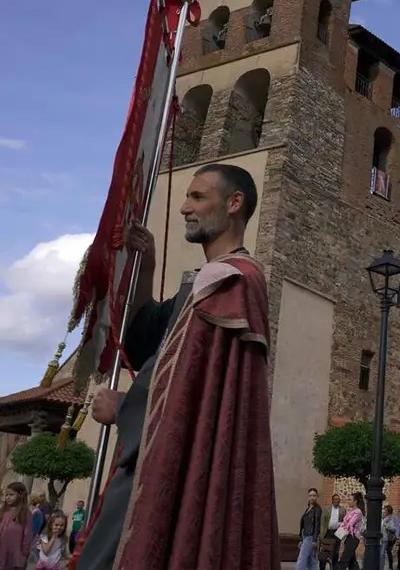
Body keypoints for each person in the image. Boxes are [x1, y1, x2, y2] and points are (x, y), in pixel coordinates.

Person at [78, 164, 280, 570]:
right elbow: (146, 344)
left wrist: (124, 409)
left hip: (168, 460)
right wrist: (147, 265)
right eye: (187, 197)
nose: (185, 207)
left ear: (234, 203)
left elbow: (185, 380)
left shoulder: (234, 281)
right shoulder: (201, 283)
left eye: (198, 197)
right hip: (154, 454)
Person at [0, 482, 32, 570]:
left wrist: (25, 553)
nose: (8, 497)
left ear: (20, 495)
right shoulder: (4, 511)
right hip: (2, 552)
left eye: (11, 494)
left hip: (16, 555)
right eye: (6, 495)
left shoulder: (25, 513)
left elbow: (27, 534)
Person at [336, 493, 366, 570]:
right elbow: (346, 523)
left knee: (344, 559)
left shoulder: (357, 512)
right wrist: (342, 524)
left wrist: (341, 524)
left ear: (355, 501)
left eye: (350, 500)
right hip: (349, 537)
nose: (348, 501)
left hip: (353, 538)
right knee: (352, 562)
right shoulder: (352, 511)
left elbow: (350, 524)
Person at [298, 488, 324, 570]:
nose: (312, 497)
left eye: (314, 495)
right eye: (310, 496)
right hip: (305, 536)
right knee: (311, 561)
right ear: (308, 497)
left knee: (301, 559)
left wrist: (314, 540)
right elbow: (304, 525)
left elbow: (317, 525)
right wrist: (301, 539)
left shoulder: (317, 509)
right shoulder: (308, 508)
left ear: (317, 497)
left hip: (310, 537)